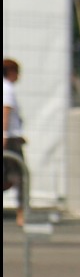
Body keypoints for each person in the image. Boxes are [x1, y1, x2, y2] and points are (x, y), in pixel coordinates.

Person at [3, 58, 25, 221]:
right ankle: (21, 212)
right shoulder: (7, 89)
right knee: (20, 175)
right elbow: (6, 112)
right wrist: (4, 135)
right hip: (9, 138)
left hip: (11, 135)